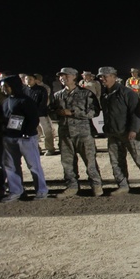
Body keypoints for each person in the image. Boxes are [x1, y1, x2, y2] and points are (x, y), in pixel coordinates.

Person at [98, 66, 140, 194]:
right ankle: (123, 185)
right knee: (116, 161)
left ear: (114, 77)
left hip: (129, 133)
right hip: (113, 133)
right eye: (101, 77)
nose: (102, 79)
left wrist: (134, 130)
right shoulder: (105, 94)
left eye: (105, 76)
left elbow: (136, 113)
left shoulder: (127, 93)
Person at [52, 67, 103, 197]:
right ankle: (72, 186)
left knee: (90, 161)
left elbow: (94, 111)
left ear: (74, 77)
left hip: (84, 133)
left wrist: (73, 113)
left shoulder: (86, 94)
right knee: (67, 162)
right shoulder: (58, 95)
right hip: (65, 134)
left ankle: (96, 185)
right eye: (61, 76)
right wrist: (57, 113)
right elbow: (51, 112)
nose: (63, 78)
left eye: (66, 76)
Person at [0, 75, 49, 201]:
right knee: (11, 166)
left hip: (25, 139)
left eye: (6, 86)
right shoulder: (6, 101)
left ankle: (41, 190)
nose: (4, 89)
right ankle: (16, 191)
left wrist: (27, 132)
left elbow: (34, 119)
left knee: (34, 166)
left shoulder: (26, 101)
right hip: (10, 138)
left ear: (13, 86)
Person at [24, 74, 57, 155]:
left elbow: (43, 102)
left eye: (30, 79)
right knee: (34, 133)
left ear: (35, 80)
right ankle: (37, 149)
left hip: (41, 114)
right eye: (26, 79)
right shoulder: (24, 90)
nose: (28, 80)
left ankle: (50, 149)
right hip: (30, 116)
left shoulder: (41, 89)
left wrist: (36, 111)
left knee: (47, 132)